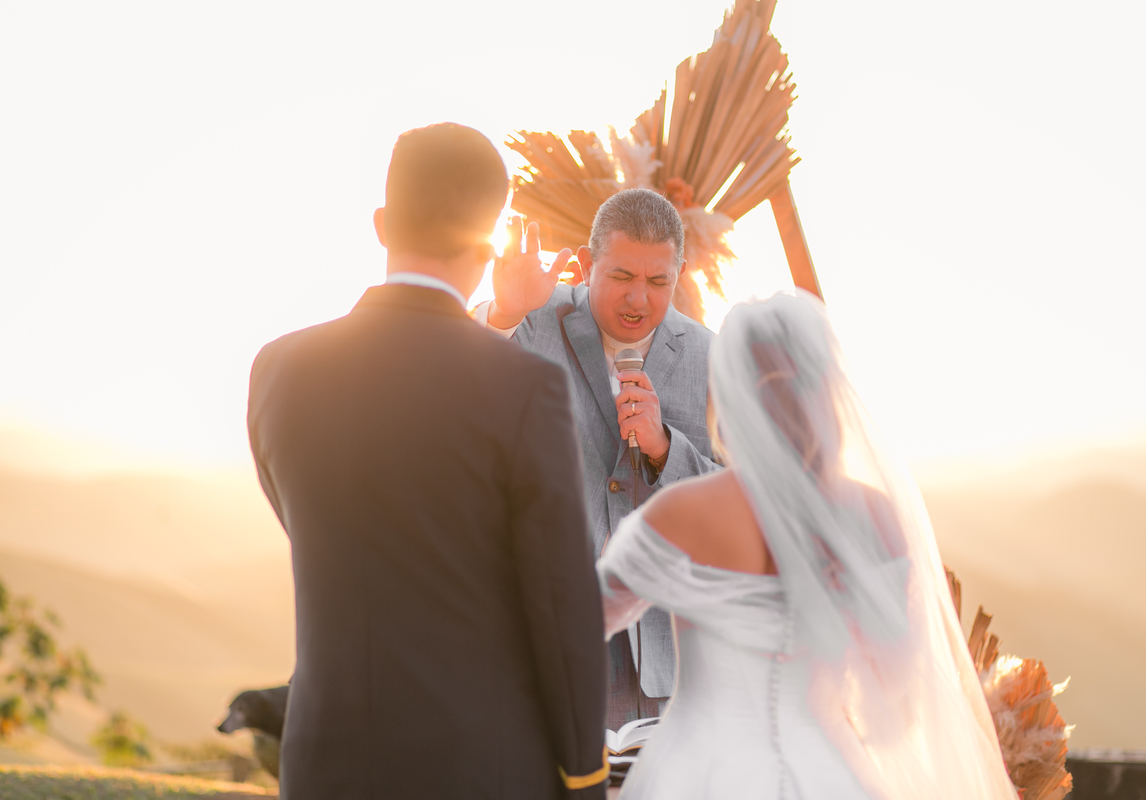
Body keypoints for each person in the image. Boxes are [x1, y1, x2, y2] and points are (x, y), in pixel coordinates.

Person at [247, 123, 609, 799]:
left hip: (326, 763)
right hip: (482, 768)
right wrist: (584, 777)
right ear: (490, 240)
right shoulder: (525, 388)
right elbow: (562, 605)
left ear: (382, 224)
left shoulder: (277, 370)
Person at [596, 290, 1020, 799]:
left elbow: (573, 627)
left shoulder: (682, 513)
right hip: (829, 775)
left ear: (729, 395)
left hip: (695, 774)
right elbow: (894, 714)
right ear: (828, 388)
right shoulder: (875, 519)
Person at [475, 188, 719, 728]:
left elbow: (743, 498)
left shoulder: (711, 354)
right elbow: (453, 379)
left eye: (658, 282)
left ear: (679, 272)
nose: (639, 300)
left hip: (675, 672)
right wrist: (503, 311)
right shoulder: (534, 321)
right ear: (587, 265)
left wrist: (665, 451)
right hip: (547, 658)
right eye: (622, 278)